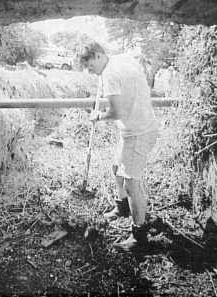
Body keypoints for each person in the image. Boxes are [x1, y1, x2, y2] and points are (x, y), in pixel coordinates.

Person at [78, 42, 159, 252]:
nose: (89, 71)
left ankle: (139, 236)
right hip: (134, 128)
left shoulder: (109, 73)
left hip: (139, 133)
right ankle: (122, 207)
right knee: (117, 168)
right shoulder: (121, 60)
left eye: (89, 66)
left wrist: (98, 115)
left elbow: (117, 112)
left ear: (97, 56)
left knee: (132, 184)